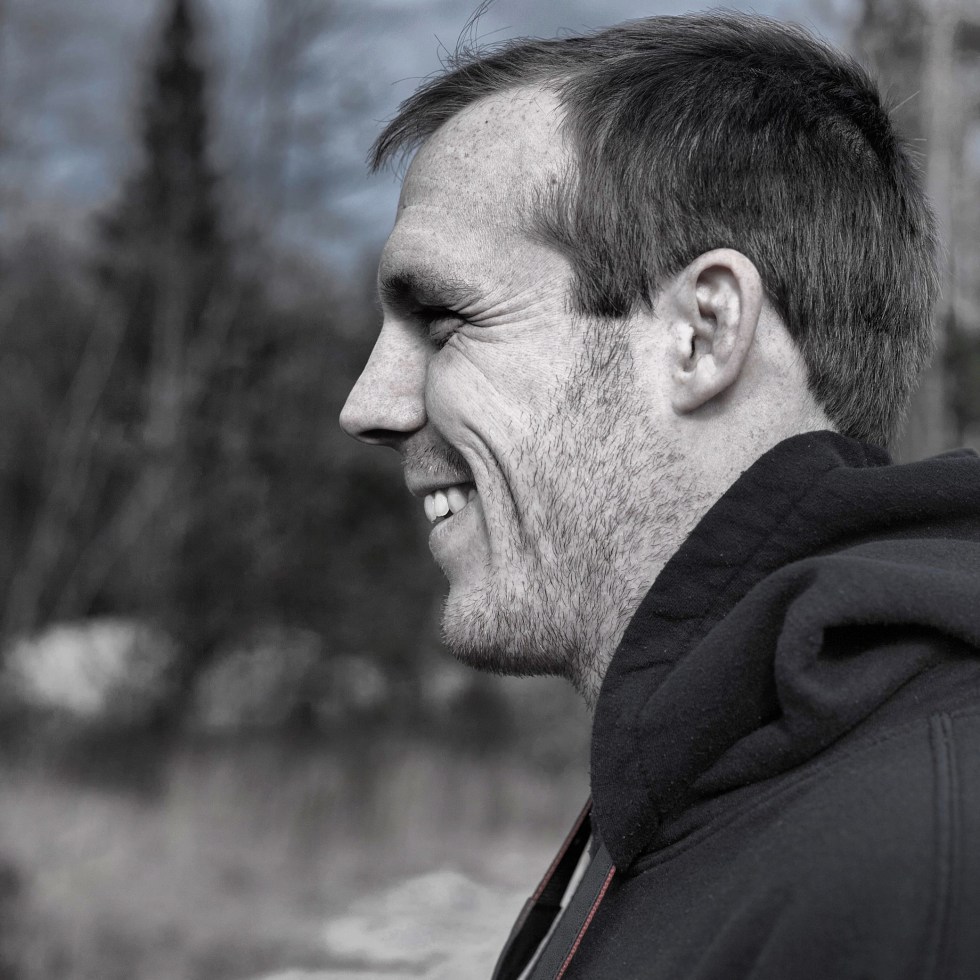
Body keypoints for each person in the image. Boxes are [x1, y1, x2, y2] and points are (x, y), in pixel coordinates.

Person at [339, 12, 980, 979]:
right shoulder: (715, 778)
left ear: (702, 333)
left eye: (443, 317)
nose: (369, 406)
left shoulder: (919, 868)